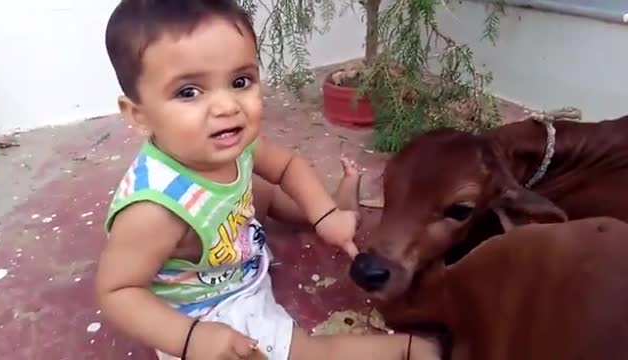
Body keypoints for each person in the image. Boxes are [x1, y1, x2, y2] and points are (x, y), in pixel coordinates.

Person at [95, 1, 442, 359]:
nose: (227, 106)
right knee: (303, 353)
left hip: (233, 235)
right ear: (139, 115)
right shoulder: (155, 211)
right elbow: (118, 291)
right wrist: (193, 338)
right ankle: (408, 348)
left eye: (240, 81)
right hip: (208, 308)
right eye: (189, 92)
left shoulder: (229, 144)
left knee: (264, 191)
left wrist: (324, 214)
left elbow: (288, 166)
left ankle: (335, 208)